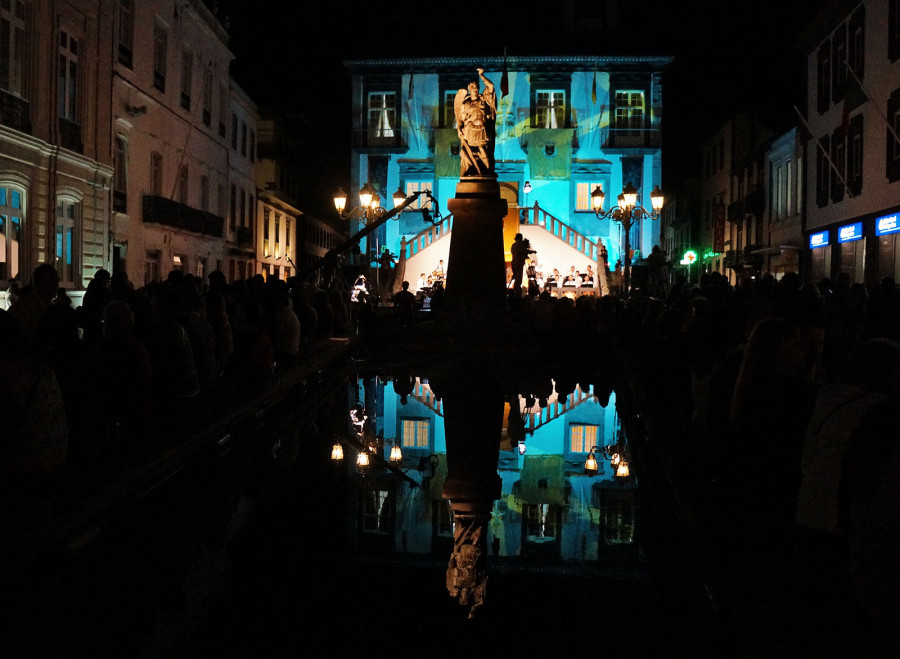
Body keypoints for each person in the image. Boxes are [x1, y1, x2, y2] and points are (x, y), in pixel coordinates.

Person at [454, 68, 496, 178]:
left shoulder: (484, 100)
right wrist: (459, 129)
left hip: (482, 128)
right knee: (469, 151)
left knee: (482, 149)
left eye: (476, 87)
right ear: (469, 89)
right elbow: (461, 120)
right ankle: (471, 171)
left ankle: (488, 171)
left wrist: (481, 76)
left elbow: (491, 87)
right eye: (472, 88)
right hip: (469, 130)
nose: (475, 89)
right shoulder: (465, 104)